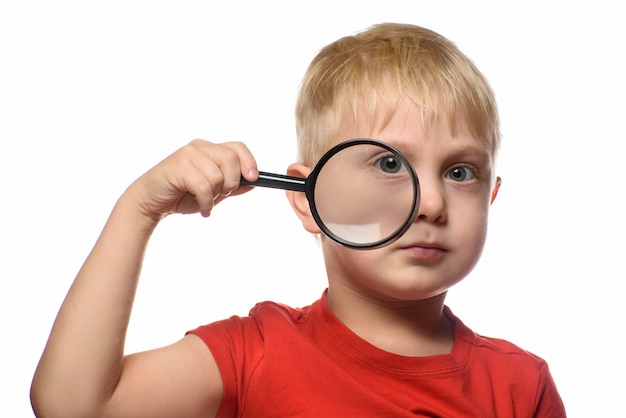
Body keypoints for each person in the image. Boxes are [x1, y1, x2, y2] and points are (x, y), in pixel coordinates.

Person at [30, 23, 566, 417]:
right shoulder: (256, 353)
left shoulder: (521, 386)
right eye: (388, 163)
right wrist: (138, 209)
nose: (431, 204)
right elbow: (73, 408)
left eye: (460, 171)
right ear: (309, 199)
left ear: (491, 196)